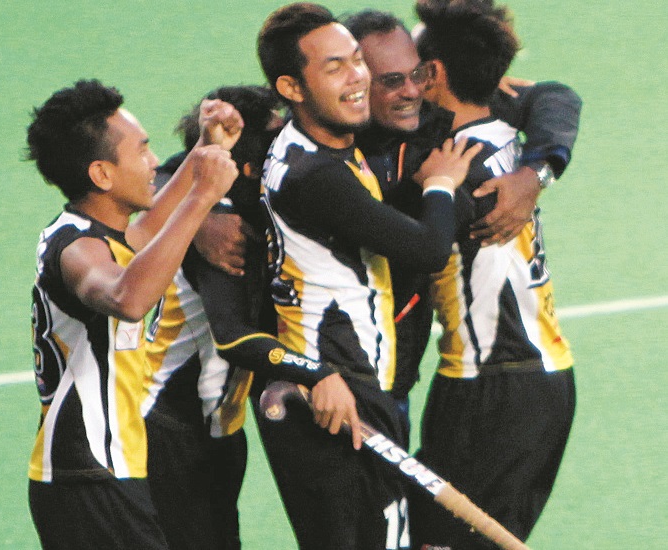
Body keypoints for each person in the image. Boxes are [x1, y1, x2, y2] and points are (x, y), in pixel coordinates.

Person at [253, 4, 482, 549]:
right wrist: (443, 184)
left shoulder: (307, 148)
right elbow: (428, 249)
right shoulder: (317, 176)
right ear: (291, 86)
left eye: (357, 61)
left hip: (341, 389)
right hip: (339, 398)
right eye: (335, 67)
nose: (357, 78)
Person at [25, 79, 240, 549]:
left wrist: (203, 151)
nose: (151, 162)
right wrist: (203, 199)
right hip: (90, 476)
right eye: (141, 151)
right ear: (102, 174)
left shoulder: (98, 234)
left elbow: (146, 232)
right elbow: (128, 297)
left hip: (104, 471)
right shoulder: (77, 249)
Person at [343, 7, 581, 415]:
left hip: (407, 374)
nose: (410, 90)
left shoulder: (442, 138)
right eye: (391, 79)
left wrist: (535, 175)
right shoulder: (325, 140)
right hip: (339, 374)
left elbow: (555, 96)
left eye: (415, 75)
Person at [404, 1, 576, 547]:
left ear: (432, 75)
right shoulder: (505, 137)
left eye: (410, 68)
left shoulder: (449, 168)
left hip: (491, 388)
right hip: (538, 379)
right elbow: (556, 94)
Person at [141, 85, 285, 550]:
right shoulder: (226, 231)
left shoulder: (215, 208)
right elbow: (231, 338)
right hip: (174, 432)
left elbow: (167, 173)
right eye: (277, 143)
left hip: (214, 426)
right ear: (246, 165)